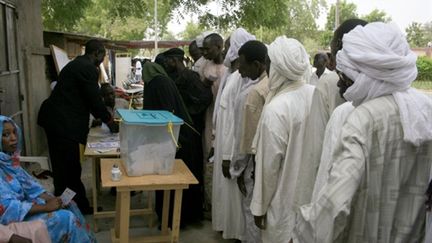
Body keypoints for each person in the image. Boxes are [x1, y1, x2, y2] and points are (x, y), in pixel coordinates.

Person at [293, 22, 432, 243]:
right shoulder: (424, 109)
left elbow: (336, 204)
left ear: (364, 73)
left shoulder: (361, 118)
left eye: (345, 74)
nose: (341, 82)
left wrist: (304, 234)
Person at [38, 39, 118, 214]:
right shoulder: (87, 68)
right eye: (103, 54)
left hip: (57, 121)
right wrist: (109, 121)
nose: (103, 58)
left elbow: (81, 98)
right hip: (61, 124)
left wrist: (99, 118)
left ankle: (64, 203)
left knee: (63, 168)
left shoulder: (78, 64)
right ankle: (78, 206)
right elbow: (94, 99)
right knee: (70, 168)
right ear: (96, 53)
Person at [295, 19, 368, 209]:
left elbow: (315, 153)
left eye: (334, 56)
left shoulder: (332, 92)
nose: (332, 64)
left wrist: (305, 208)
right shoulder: (416, 109)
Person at [250, 36, 314, 243]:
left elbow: (268, 167)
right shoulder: (317, 95)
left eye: (268, 63)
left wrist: (259, 207)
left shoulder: (277, 109)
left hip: (282, 201)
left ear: (276, 67)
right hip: (312, 200)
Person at [0, 116, 95, 242]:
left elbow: (30, 187)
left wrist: (52, 199)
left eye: (14, 132)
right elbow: (6, 208)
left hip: (24, 208)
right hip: (9, 221)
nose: (14, 138)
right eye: (6, 134)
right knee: (66, 219)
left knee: (70, 204)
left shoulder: (10, 162)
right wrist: (45, 207)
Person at [142, 62, 203, 225]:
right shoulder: (160, 81)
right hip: (173, 136)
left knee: (174, 180)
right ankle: (172, 218)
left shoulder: (158, 83)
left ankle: (174, 220)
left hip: (176, 137)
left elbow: (165, 113)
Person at [212, 28, 256, 241]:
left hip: (231, 144)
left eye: (230, 46)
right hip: (223, 141)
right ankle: (228, 227)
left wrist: (229, 155)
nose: (227, 50)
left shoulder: (242, 78)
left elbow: (236, 121)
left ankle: (238, 232)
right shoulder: (232, 75)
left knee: (234, 192)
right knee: (225, 191)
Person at [230, 39, 268, 243]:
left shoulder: (253, 93)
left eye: (243, 65)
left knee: (252, 212)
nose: (240, 70)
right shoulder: (273, 85)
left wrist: (238, 169)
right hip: (273, 165)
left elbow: (245, 137)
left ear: (257, 65)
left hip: (254, 166)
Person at [163, 48, 212, 134]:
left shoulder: (191, 77)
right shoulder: (177, 77)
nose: (165, 64)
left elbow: (206, 98)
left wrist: (188, 112)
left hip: (192, 126)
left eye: (167, 61)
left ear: (174, 60)